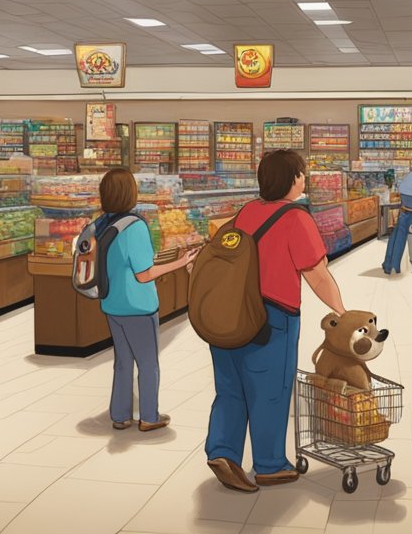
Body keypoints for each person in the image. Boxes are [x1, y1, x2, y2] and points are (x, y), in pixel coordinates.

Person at [205, 150, 347, 493]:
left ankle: (223, 451)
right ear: (291, 178)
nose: (304, 179)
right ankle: (269, 465)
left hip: (228, 313)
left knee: (230, 389)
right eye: (301, 174)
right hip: (272, 318)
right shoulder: (296, 219)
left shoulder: (247, 212)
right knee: (269, 392)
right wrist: (342, 313)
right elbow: (318, 275)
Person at [97, 168, 199, 432]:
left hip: (111, 302)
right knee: (148, 363)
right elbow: (144, 274)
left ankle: (119, 415)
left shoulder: (102, 223)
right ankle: (149, 416)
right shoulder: (135, 226)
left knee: (122, 361)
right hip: (138, 306)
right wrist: (180, 263)